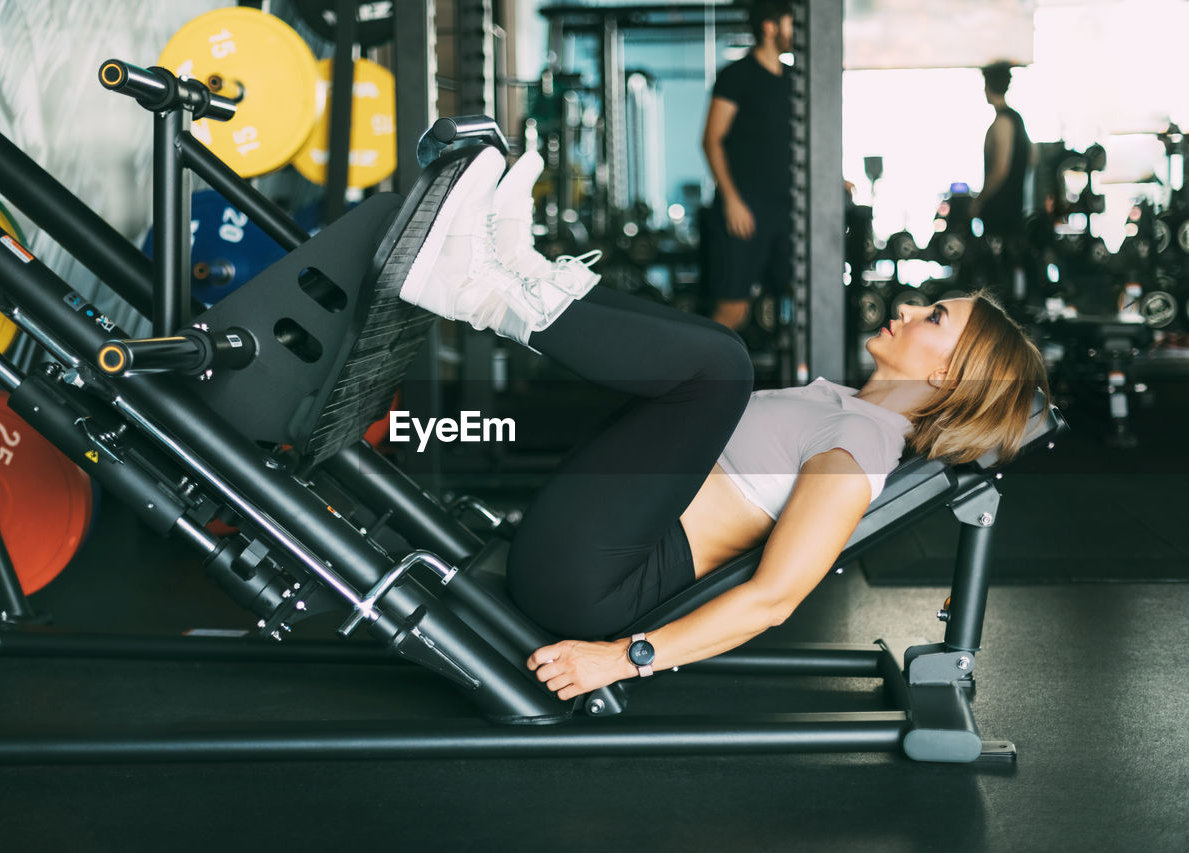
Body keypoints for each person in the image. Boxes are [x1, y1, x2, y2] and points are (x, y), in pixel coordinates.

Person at [398, 146, 1049, 702]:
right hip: (590, 547)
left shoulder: (862, 446)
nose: (908, 307)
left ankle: (479, 290)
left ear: (948, 377)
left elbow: (775, 597)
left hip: (592, 581)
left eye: (933, 316)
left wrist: (625, 658)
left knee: (721, 367)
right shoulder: (844, 407)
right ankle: (516, 269)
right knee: (693, 353)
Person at [700, 0, 795, 331]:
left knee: (796, 304)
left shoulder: (795, 80)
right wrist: (732, 201)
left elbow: (800, 142)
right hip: (744, 212)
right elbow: (711, 140)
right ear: (770, 27)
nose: (795, 30)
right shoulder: (736, 76)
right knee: (732, 312)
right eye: (790, 22)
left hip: (787, 212)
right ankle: (697, 381)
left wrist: (833, 180)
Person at [972, 61, 1031, 242]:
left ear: (988, 87)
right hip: (1015, 206)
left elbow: (1000, 169)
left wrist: (979, 201)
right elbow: (1032, 159)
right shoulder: (1017, 119)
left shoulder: (1001, 123)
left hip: (1000, 211)